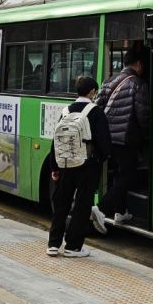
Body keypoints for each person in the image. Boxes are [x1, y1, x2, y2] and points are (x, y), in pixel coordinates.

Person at [47, 75, 111, 257]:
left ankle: (53, 244)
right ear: (92, 92)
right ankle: (73, 247)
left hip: (65, 163)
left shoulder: (66, 110)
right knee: (82, 205)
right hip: (87, 165)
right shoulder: (95, 111)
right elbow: (104, 143)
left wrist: (54, 167)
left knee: (62, 203)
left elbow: (56, 141)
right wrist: (100, 158)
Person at [92, 42, 150, 229]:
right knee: (128, 176)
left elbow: (98, 107)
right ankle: (100, 209)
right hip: (127, 139)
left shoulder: (109, 81)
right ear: (139, 64)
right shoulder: (138, 84)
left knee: (119, 174)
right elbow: (143, 116)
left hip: (109, 139)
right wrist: (148, 138)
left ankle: (120, 212)